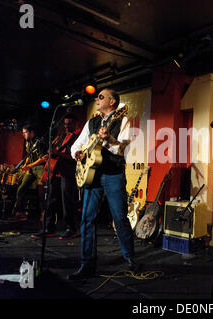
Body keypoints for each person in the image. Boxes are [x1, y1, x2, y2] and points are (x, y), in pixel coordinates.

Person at [68, 88, 135, 279]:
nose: (96, 99)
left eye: (101, 97)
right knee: (87, 218)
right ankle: (86, 264)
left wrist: (109, 140)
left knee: (120, 217)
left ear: (112, 102)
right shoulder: (92, 122)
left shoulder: (122, 119)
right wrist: (78, 154)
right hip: (92, 175)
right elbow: (76, 145)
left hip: (113, 173)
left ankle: (130, 258)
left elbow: (121, 149)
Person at [31, 113, 81, 239]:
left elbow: (74, 157)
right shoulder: (62, 136)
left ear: (75, 123)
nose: (66, 126)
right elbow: (57, 152)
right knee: (50, 200)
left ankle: (71, 228)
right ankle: (48, 228)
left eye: (69, 124)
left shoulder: (78, 138)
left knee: (67, 202)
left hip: (68, 172)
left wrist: (57, 153)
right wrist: (51, 152)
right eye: (65, 124)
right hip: (55, 171)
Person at [12, 124, 46, 220]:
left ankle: (43, 214)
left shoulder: (39, 142)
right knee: (21, 188)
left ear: (31, 132)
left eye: (25, 132)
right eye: (22, 133)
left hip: (40, 168)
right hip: (31, 169)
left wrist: (29, 165)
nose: (23, 134)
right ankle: (21, 213)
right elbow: (28, 156)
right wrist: (26, 165)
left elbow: (43, 159)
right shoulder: (27, 142)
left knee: (41, 193)